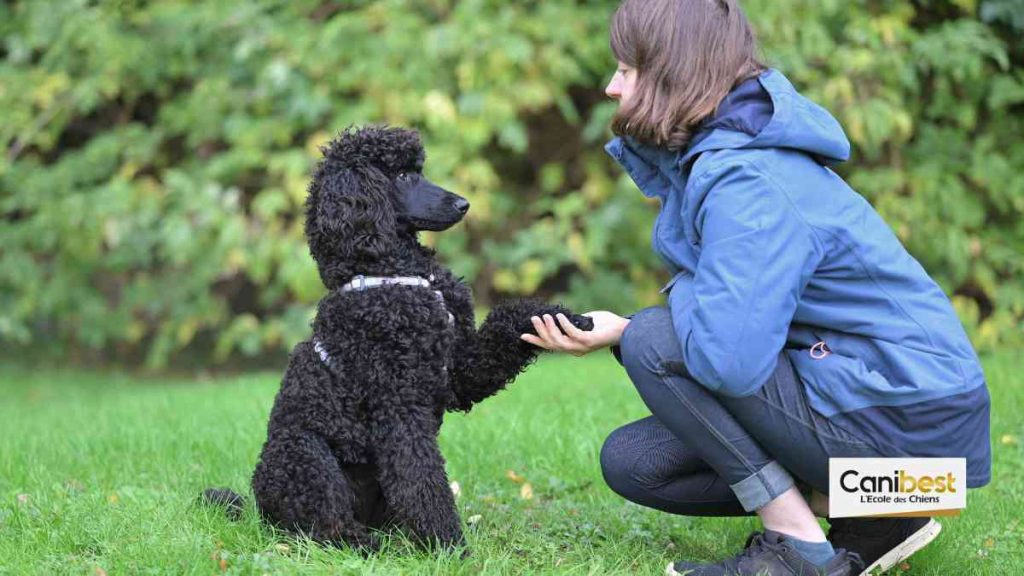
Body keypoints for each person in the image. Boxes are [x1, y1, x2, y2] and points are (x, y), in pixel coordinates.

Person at [519, 1, 992, 575]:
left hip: (918, 445)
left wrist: (643, 325)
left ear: (673, 71)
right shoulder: (721, 160)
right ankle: (883, 519)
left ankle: (797, 548)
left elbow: (728, 362)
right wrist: (624, 329)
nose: (612, 87)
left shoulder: (749, 180)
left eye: (627, 69)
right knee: (637, 462)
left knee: (654, 339)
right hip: (892, 426)